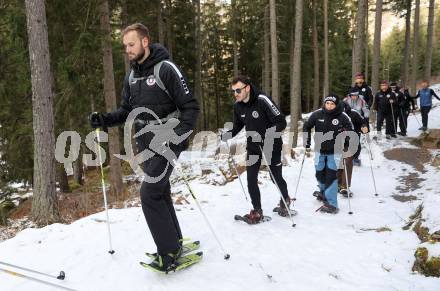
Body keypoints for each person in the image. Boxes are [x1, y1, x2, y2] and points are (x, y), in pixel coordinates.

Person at [88, 23, 199, 271]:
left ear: (145, 42)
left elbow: (191, 107)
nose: (127, 49)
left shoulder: (166, 69)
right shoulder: (132, 75)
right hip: (145, 140)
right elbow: (127, 111)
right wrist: (104, 120)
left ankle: (168, 252)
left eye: (131, 44)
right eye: (125, 46)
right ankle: (175, 241)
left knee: (149, 193)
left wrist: (178, 136)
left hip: (167, 138)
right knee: (160, 191)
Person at [221, 75, 291, 223]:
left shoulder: (262, 100)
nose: (236, 94)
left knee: (275, 177)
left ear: (247, 88)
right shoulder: (238, 106)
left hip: (271, 145)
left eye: (238, 90)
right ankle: (257, 210)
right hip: (253, 147)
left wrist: (267, 135)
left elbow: (281, 122)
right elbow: (238, 126)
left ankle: (285, 200)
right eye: (233, 91)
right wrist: (227, 135)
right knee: (251, 179)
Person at [303, 95, 353, 214]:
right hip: (319, 149)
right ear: (324, 103)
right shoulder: (317, 114)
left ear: (336, 105)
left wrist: (345, 137)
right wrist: (307, 142)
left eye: (332, 104)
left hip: (335, 150)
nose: (329, 106)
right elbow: (307, 126)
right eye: (327, 103)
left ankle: (332, 204)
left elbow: (350, 130)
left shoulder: (342, 116)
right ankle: (323, 192)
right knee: (320, 172)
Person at [337, 103, 369, 197]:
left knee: (347, 161)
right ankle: (337, 184)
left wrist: (364, 127)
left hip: (351, 140)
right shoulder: (332, 115)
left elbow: (363, 122)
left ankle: (344, 186)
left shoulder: (354, 113)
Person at [343, 89, 369, 166]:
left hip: (357, 121)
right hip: (346, 123)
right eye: (352, 95)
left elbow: (366, 109)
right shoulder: (345, 100)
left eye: (356, 95)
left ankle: (355, 158)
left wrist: (365, 120)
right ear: (350, 95)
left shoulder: (362, 101)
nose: (354, 97)